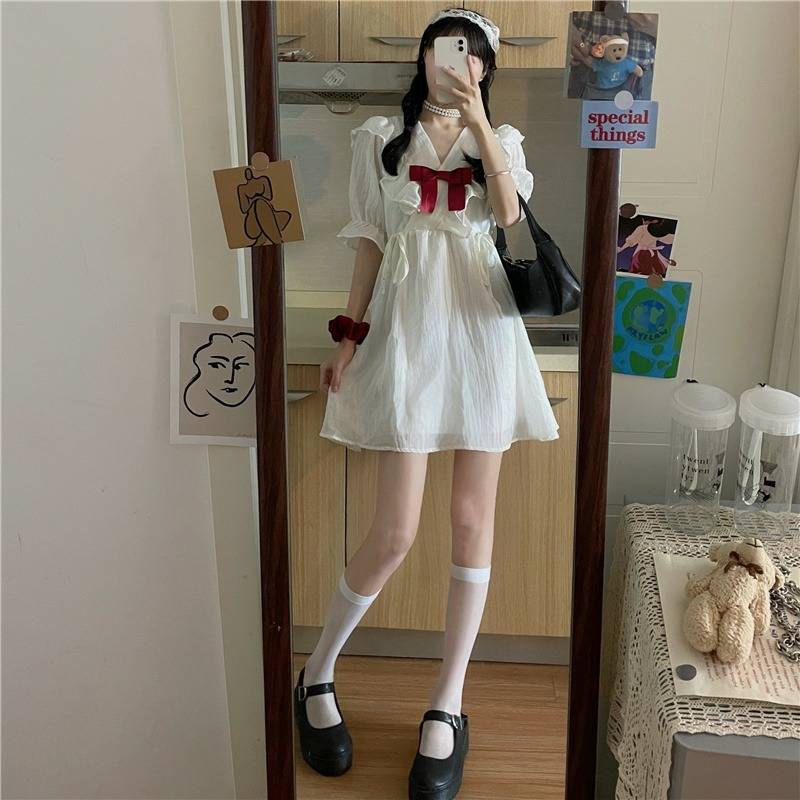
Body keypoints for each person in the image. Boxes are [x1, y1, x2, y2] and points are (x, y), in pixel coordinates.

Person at [293, 7, 560, 798]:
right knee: (396, 530)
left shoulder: (500, 142)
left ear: (486, 69)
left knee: (473, 523)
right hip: (409, 336)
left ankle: (447, 704)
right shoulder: (379, 137)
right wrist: (348, 337)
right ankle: (316, 671)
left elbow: (508, 218)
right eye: (445, 49)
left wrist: (478, 125)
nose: (455, 62)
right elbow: (370, 243)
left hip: (480, 336)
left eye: (471, 54)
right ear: (422, 57)